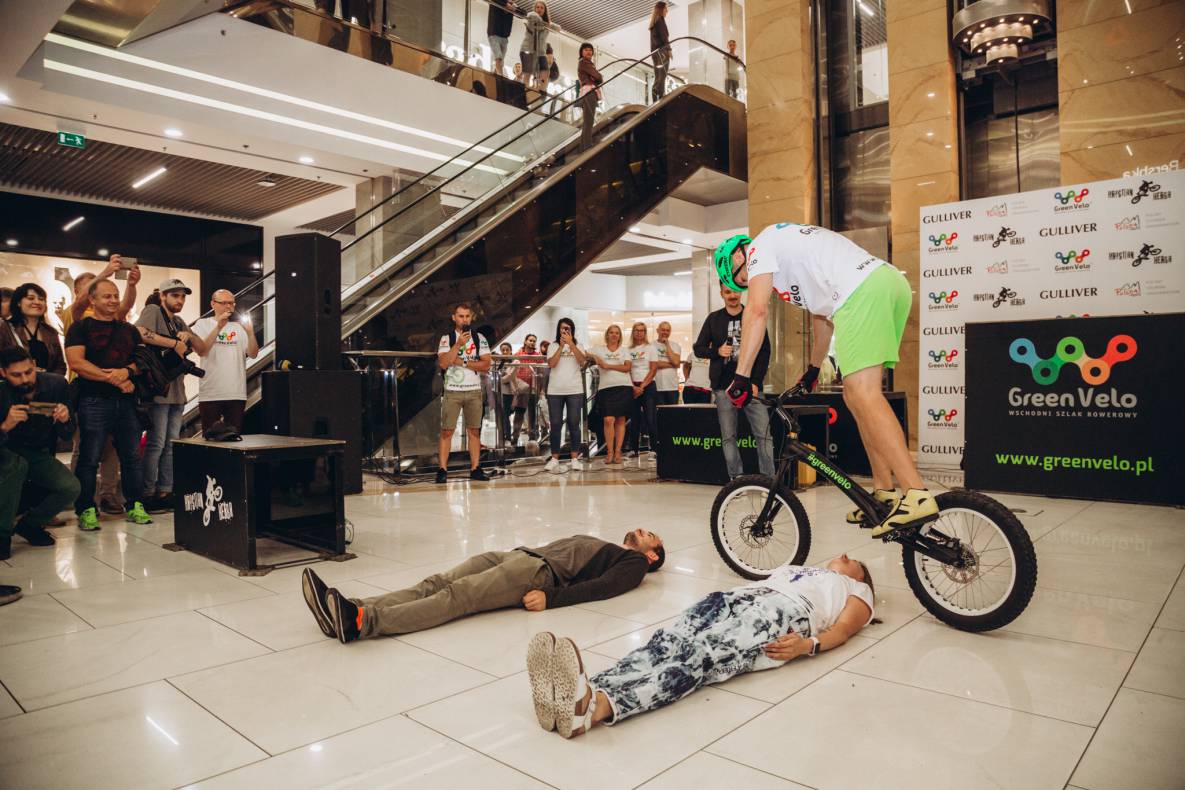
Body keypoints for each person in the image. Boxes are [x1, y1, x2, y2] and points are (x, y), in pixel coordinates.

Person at [715, 225, 935, 534]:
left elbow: (757, 311)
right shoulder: (788, 264)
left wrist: (741, 375)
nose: (748, 283)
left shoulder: (760, 247)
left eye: (741, 277)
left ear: (740, 255)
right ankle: (884, 494)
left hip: (862, 291)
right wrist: (813, 368)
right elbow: (823, 317)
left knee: (865, 393)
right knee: (855, 396)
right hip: (886, 284)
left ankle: (917, 493)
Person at [527, 554, 874, 738]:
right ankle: (584, 691)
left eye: (855, 560)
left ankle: (601, 707)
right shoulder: (804, 570)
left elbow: (843, 630)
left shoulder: (857, 591)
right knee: (669, 642)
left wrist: (807, 646)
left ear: (861, 576)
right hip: (739, 597)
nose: (845, 555)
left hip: (784, 615)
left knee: (700, 657)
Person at [303, 529, 665, 643]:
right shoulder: (617, 548)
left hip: (535, 574)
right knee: (438, 581)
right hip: (517, 556)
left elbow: (603, 588)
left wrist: (552, 598)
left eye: (649, 536)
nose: (640, 531)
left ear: (652, 556)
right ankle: (348, 605)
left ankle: (362, 622)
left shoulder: (633, 564)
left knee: (455, 597)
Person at [64, 278, 154, 531]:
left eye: (115, 295)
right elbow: (77, 363)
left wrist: (128, 371)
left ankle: (136, 505)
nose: (114, 300)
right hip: (92, 400)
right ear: (92, 300)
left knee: (132, 458)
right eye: (107, 296)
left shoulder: (129, 330)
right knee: (89, 457)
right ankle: (87, 509)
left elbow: (144, 360)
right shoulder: (80, 327)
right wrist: (114, 379)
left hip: (127, 403)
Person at [0, 347, 80, 559]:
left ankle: (30, 525)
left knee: (70, 487)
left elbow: (68, 432)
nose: (25, 378)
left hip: (36, 451)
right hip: (5, 450)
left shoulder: (56, 384)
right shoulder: (1, 392)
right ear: (3, 373)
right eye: (16, 375)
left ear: (34, 365)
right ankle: (2, 535)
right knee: (16, 466)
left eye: (29, 371)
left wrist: (65, 419)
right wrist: (5, 426)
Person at [693, 281, 773, 478]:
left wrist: (755, 382)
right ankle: (736, 480)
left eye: (735, 291)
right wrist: (717, 351)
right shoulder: (713, 319)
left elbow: (764, 352)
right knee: (728, 437)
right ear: (721, 293)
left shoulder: (753, 316)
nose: (732, 295)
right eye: (728, 291)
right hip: (722, 388)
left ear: (741, 292)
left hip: (750, 386)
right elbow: (698, 348)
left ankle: (769, 482)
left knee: (764, 435)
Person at [136, 279, 202, 513]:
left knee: (170, 445)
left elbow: (202, 348)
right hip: (158, 391)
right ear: (162, 295)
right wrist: (174, 342)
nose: (180, 300)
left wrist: (187, 335)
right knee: (156, 443)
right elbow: (140, 333)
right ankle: (147, 492)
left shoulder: (178, 320)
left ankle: (165, 490)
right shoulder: (153, 310)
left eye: (183, 296)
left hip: (177, 393)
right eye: (175, 295)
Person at [436, 302, 492, 483]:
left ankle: (475, 468)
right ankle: (442, 470)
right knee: (447, 431)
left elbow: (486, 364)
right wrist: (458, 344)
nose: (464, 319)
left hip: (474, 390)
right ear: (454, 318)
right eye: (461, 316)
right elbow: (444, 363)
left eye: (467, 316)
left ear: (471, 317)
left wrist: (464, 363)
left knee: (474, 431)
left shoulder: (479, 338)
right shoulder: (447, 338)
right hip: (452, 391)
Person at [191, 289, 258, 434]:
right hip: (211, 392)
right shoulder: (202, 324)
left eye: (231, 303)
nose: (228, 306)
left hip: (236, 393)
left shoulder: (239, 328)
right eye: (224, 303)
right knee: (210, 439)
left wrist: (250, 333)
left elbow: (253, 354)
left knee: (234, 439)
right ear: (213, 304)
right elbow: (202, 351)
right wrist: (218, 327)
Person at [545, 317, 587, 472]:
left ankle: (574, 458)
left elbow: (582, 361)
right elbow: (551, 364)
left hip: (574, 390)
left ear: (572, 330)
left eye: (568, 328)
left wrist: (571, 345)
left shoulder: (579, 345)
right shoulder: (553, 346)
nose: (565, 331)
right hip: (555, 390)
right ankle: (555, 458)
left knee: (574, 424)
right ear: (558, 330)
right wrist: (561, 347)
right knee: (555, 424)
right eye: (562, 328)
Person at [1, 283, 66, 375]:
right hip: (15, 385)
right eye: (30, 298)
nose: (37, 302)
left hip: (46, 386)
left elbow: (60, 365)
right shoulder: (5, 328)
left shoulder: (50, 332)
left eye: (41, 299)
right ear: (19, 302)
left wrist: (50, 380)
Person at [590, 324, 632, 467]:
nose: (614, 335)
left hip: (624, 387)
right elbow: (585, 353)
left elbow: (627, 368)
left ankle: (618, 451)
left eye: (617, 333)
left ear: (620, 336)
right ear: (607, 335)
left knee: (620, 420)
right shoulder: (599, 349)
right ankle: (609, 451)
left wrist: (607, 365)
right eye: (612, 333)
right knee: (608, 420)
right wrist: (595, 357)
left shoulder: (624, 350)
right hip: (606, 388)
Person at [625, 322, 658, 457]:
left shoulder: (651, 348)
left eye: (642, 330)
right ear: (633, 332)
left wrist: (642, 386)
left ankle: (654, 449)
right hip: (632, 386)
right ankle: (633, 449)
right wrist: (633, 386)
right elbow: (626, 369)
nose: (639, 333)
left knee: (651, 418)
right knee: (634, 419)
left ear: (645, 333)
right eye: (637, 330)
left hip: (648, 386)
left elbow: (653, 369)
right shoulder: (627, 350)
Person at [512, 333, 541, 445]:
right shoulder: (518, 354)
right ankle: (515, 437)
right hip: (521, 389)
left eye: (534, 341)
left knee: (532, 414)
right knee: (519, 413)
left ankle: (532, 438)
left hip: (533, 389)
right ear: (525, 341)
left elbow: (541, 372)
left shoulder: (538, 356)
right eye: (530, 340)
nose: (532, 342)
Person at [519, 1, 554, 90]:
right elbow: (532, 15)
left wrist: (550, 24)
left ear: (545, 10)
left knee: (545, 71)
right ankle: (524, 91)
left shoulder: (546, 24)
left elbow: (558, 28)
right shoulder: (532, 16)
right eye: (537, 7)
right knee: (527, 72)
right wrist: (546, 24)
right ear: (535, 8)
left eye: (542, 8)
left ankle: (540, 91)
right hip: (528, 48)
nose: (539, 9)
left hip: (540, 52)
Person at [577, 42, 603, 150]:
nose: (589, 52)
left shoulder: (587, 63)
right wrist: (598, 76)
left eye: (590, 50)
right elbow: (598, 77)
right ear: (582, 52)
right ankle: (586, 145)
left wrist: (597, 77)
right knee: (589, 121)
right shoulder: (584, 62)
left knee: (588, 121)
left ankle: (584, 146)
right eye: (586, 50)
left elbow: (596, 77)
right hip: (589, 92)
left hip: (588, 92)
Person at [653, 320, 681, 411]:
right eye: (663, 330)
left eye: (667, 330)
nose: (665, 332)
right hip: (656, 387)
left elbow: (676, 362)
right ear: (658, 330)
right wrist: (671, 364)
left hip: (672, 387)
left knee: (672, 415)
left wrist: (667, 345)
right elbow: (654, 364)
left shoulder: (675, 346)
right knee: (658, 415)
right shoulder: (650, 345)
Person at [648, 2, 671, 101]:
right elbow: (664, 37)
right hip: (662, 52)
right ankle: (660, 99)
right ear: (661, 9)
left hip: (656, 53)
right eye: (666, 9)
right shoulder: (660, 21)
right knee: (662, 77)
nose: (667, 11)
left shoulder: (654, 21)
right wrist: (669, 50)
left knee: (658, 77)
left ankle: (655, 99)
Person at [498, 341, 517, 447]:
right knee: (501, 416)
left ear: (510, 351)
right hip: (499, 392)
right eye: (503, 350)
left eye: (507, 350)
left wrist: (500, 379)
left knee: (506, 416)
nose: (505, 352)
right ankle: (503, 437)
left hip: (510, 393)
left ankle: (508, 438)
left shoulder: (515, 361)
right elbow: (496, 376)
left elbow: (509, 376)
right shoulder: (500, 362)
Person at [487, 0, 515, 75]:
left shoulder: (512, 5)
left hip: (504, 36)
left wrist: (512, 6)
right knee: (498, 57)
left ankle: (496, 76)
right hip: (494, 33)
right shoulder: (500, 2)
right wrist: (506, 4)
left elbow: (522, 13)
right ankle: (500, 76)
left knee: (500, 60)